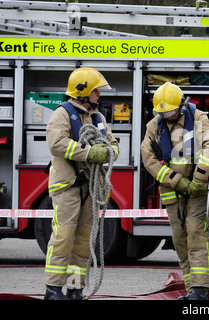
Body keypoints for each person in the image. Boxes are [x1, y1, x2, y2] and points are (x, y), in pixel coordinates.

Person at [141, 82, 209, 300]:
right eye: (163, 112)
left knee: (196, 233)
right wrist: (176, 181)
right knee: (179, 239)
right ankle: (190, 289)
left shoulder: (199, 119)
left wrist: (199, 177)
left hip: (199, 189)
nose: (167, 116)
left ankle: (200, 289)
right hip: (172, 191)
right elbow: (149, 159)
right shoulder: (154, 126)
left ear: (182, 105)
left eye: (171, 111)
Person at [44, 67, 119, 300]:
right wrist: (88, 153)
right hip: (67, 186)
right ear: (83, 91)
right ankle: (53, 289)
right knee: (64, 237)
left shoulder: (98, 117)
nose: (99, 95)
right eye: (96, 90)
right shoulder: (62, 113)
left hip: (91, 186)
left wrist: (108, 152)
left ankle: (75, 288)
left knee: (84, 240)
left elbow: (113, 145)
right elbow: (57, 143)